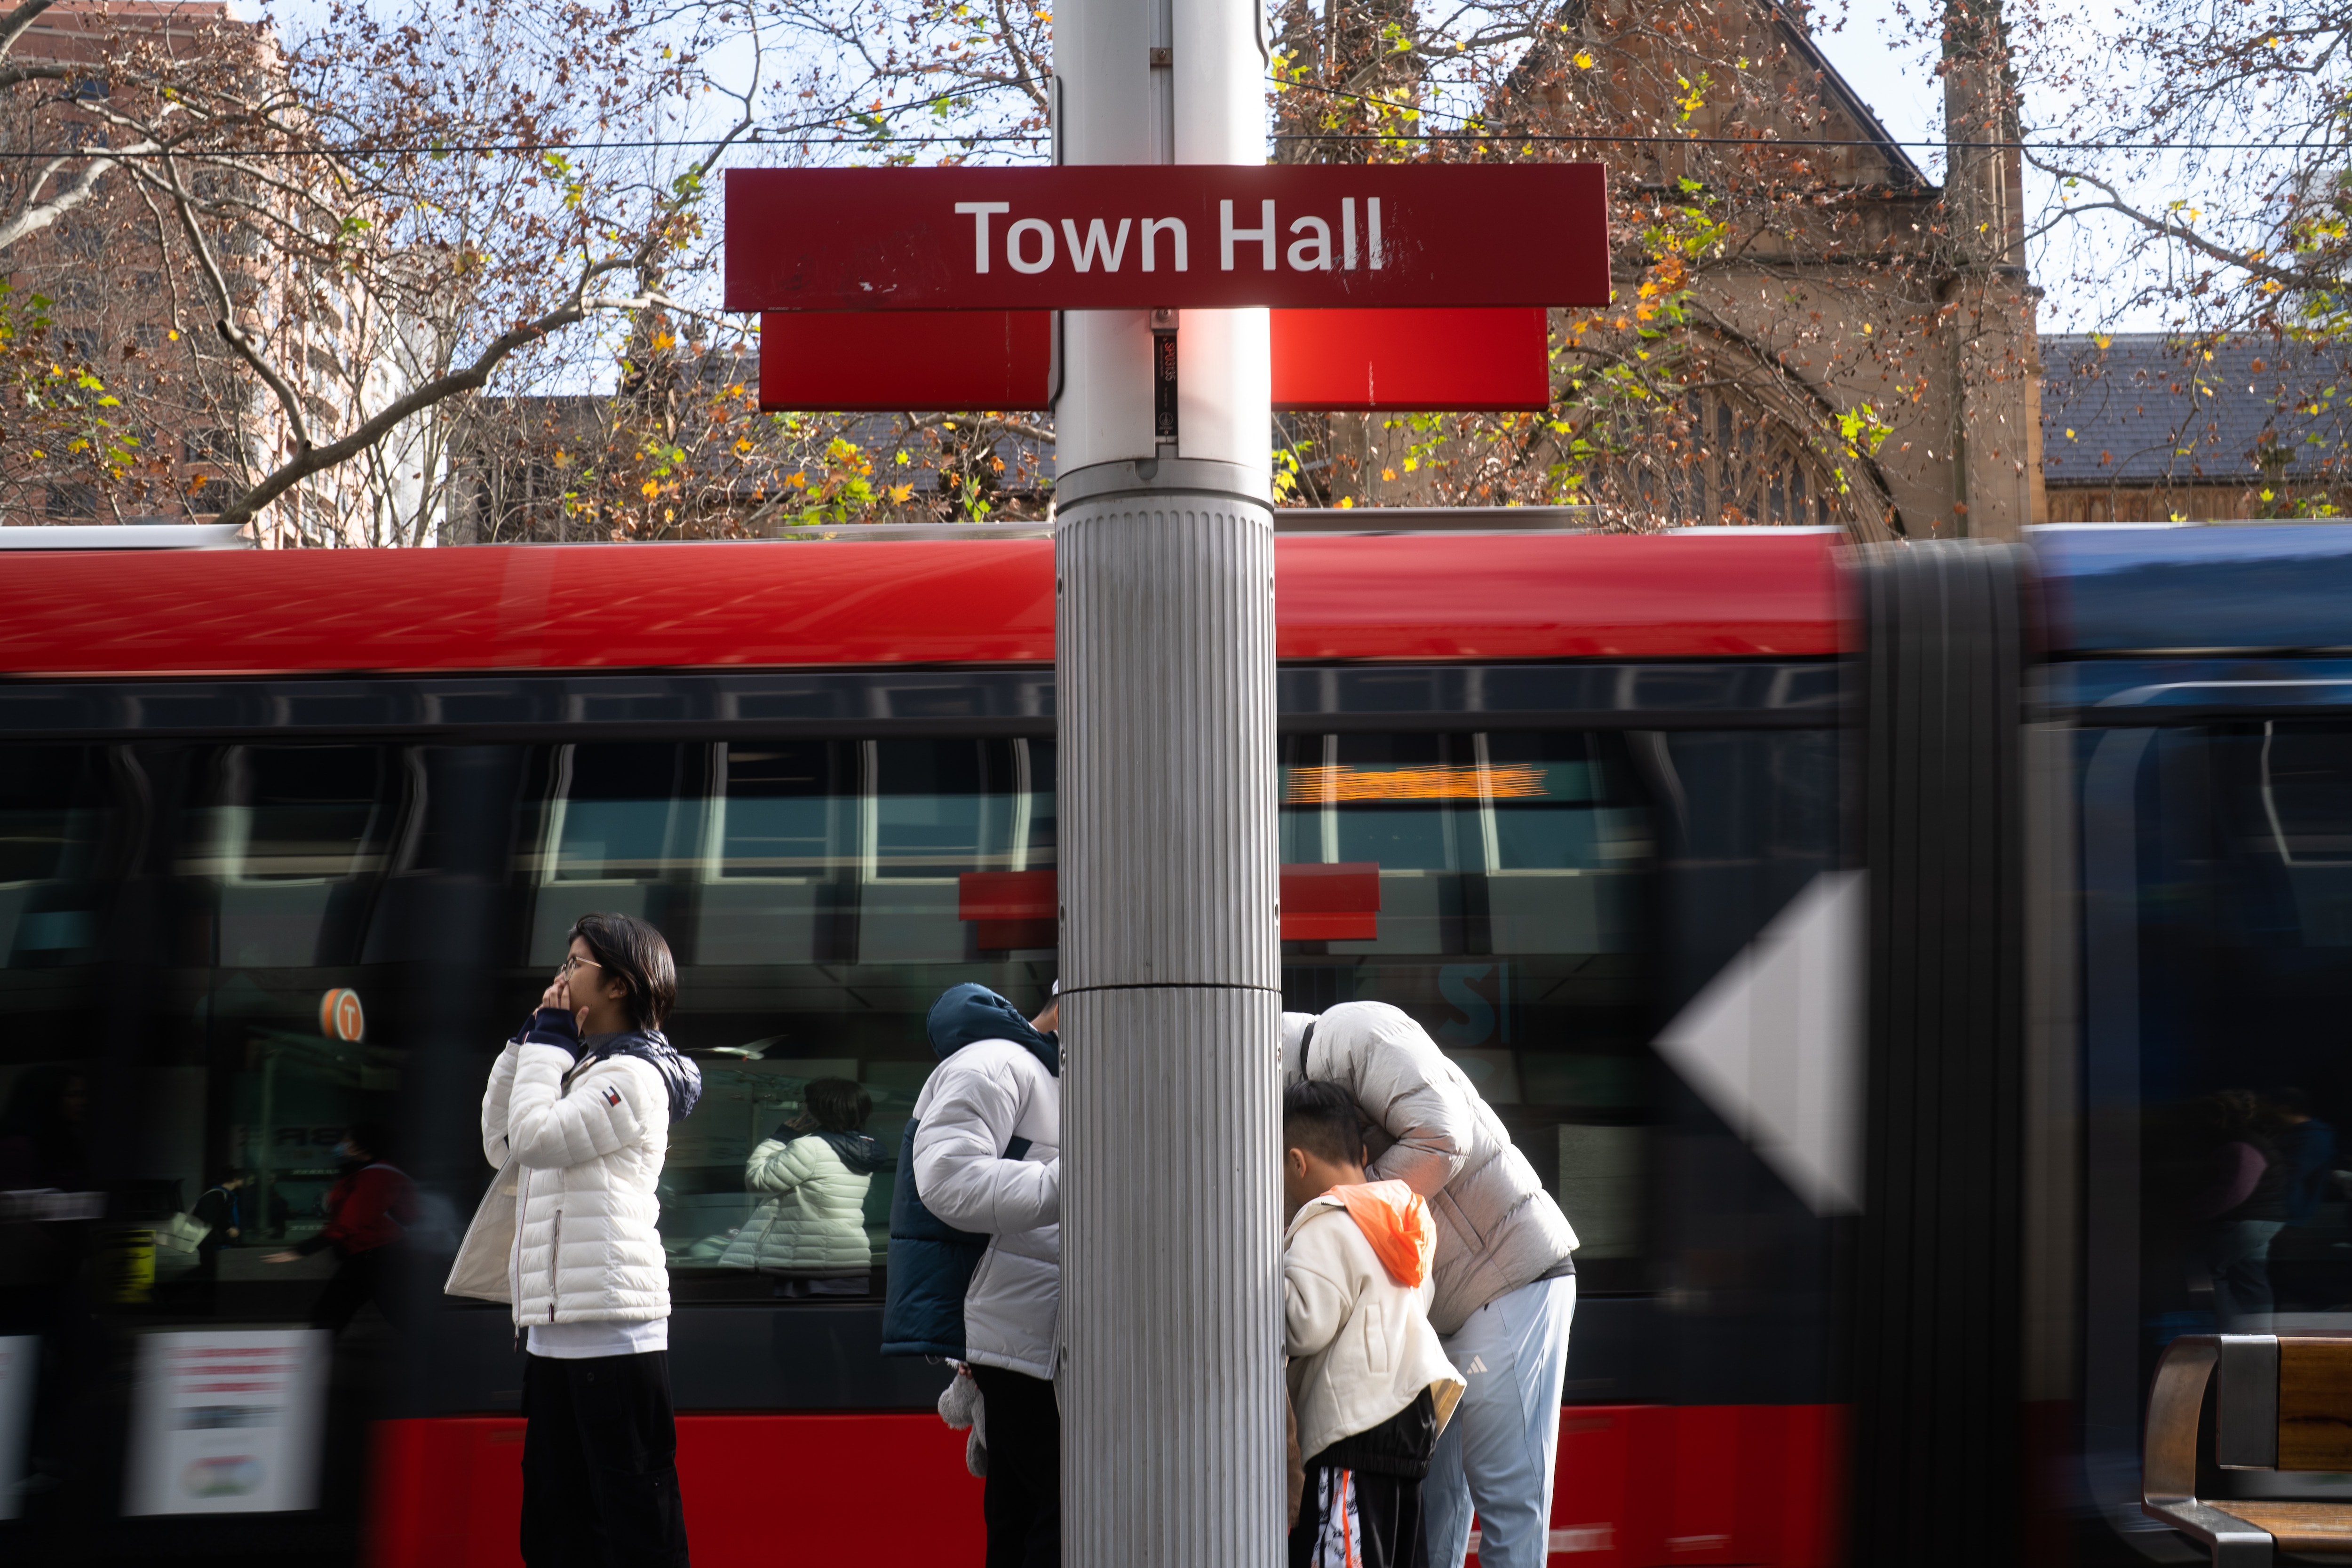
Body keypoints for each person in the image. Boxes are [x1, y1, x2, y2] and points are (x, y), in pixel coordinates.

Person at [445, 912, 702, 1568]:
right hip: (558, 1332)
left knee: (636, 1524)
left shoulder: (634, 1078)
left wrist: (548, 1047)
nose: (559, 977)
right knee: (559, 1526)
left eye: (574, 964)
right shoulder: (581, 1069)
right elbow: (503, 1144)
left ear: (618, 984)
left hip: (613, 1333)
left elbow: (533, 1137)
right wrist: (525, 1044)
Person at [1282, 1002, 1578, 1568]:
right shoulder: (1317, 1086)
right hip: (1447, 1311)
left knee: (1507, 1502)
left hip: (1513, 1275)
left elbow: (1444, 1136)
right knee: (1434, 1513)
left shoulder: (1357, 1033)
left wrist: (1345, 1209)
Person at [882, 983, 1060, 1568]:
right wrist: (1082, 1177)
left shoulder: (1048, 1076)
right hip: (1017, 1330)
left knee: (1026, 1513)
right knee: (1048, 1518)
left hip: (1032, 1330)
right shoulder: (996, 1062)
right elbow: (947, 1179)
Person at [1282, 1081, 1466, 1568]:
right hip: (1412, 1420)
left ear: (1296, 1163)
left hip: (1353, 1430)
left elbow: (1303, 1325)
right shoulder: (1403, 1220)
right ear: (1363, 1153)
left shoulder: (1325, 1224)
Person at [717, 1077, 887, 1292]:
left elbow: (757, 1182)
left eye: (806, 1103)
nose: (802, 1108)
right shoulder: (863, 1150)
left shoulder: (810, 1147)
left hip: (806, 1263)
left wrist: (780, 1138)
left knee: (796, 1324)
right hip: (849, 1261)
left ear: (819, 1109)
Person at [266, 1123, 418, 1331]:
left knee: (330, 1315)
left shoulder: (375, 1177)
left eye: (346, 1141)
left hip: (376, 1257)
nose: (341, 1145)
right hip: (374, 1256)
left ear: (361, 1147)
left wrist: (303, 1250)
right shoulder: (368, 1173)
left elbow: (351, 1220)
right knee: (337, 1314)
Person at [2193, 1089, 2290, 1328]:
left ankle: (2231, 1330)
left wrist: (2192, 1213)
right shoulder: (2253, 1141)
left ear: (2220, 1116)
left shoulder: (2242, 1145)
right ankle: (2258, 1334)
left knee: (2210, 1271)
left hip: (2248, 1221)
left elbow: (2232, 1192)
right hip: (2262, 1220)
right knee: (2251, 1277)